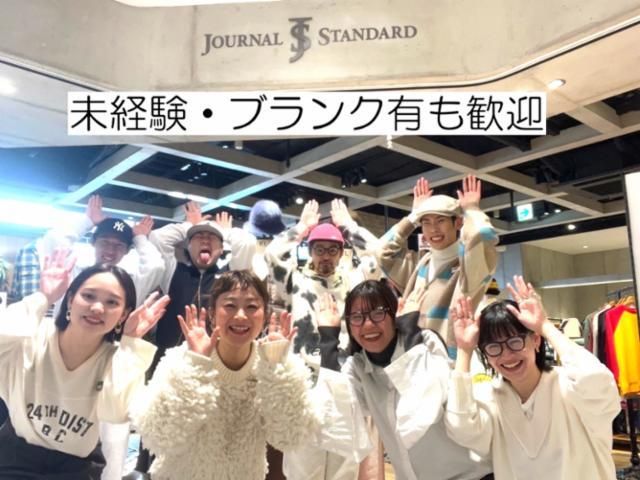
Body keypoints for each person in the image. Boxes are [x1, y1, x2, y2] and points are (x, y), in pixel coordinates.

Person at [284, 280, 491, 480]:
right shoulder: (358, 367)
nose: (368, 324)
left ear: (393, 315)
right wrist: (329, 338)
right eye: (357, 317)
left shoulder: (425, 342)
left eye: (378, 313)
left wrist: (410, 330)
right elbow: (335, 415)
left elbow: (424, 409)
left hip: (470, 474)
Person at [131, 270, 319, 480]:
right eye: (230, 305)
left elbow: (291, 437)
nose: (240, 316)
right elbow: (158, 435)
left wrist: (276, 366)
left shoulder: (273, 365)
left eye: (252, 307)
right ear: (212, 314)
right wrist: (197, 365)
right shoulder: (182, 359)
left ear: (265, 316)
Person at [0, 251, 169, 479]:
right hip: (15, 458)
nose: (97, 308)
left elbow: (115, 412)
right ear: (70, 299)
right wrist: (43, 297)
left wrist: (131, 344)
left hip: (76, 467)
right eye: (88, 296)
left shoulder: (119, 359)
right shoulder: (33, 336)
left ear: (123, 315)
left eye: (112, 302)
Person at [445, 276, 621, 480]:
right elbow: (462, 429)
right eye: (494, 347)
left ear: (535, 340)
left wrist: (545, 327)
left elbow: (598, 383)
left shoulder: (570, 387)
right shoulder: (491, 398)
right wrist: (464, 350)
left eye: (515, 342)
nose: (507, 355)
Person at [375, 175, 498, 354]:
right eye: (426, 222)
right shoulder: (420, 264)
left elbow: (482, 236)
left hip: (449, 363)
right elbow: (381, 251)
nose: (433, 229)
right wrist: (414, 216)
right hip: (411, 358)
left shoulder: (467, 266)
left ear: (457, 222)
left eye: (440, 221)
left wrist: (471, 209)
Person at [265, 198, 382, 368]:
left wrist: (348, 226)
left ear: (341, 253)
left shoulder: (354, 282)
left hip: (345, 370)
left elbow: (379, 255)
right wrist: (302, 227)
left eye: (332, 250)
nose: (326, 256)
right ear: (310, 251)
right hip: (302, 372)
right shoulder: (294, 281)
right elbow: (271, 254)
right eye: (319, 250)